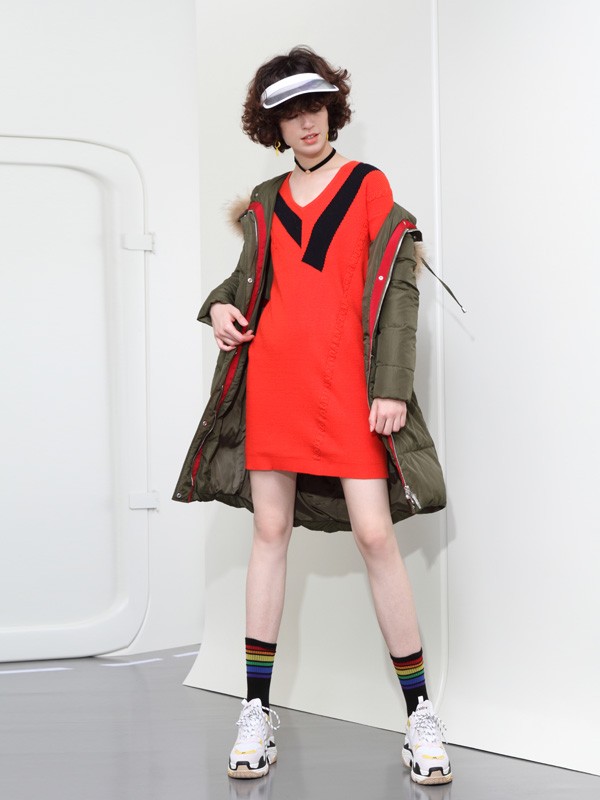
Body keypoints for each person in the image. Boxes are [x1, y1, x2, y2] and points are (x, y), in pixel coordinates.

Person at [173, 46, 452, 786]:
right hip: (274, 386)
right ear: (272, 124)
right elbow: (248, 281)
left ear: (334, 110)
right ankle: (255, 711)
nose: (306, 123)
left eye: (316, 108)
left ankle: (420, 715)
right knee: (269, 534)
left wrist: (391, 388)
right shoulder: (265, 199)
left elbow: (397, 290)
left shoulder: (367, 185)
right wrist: (219, 308)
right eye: (291, 113)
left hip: (348, 390)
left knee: (374, 535)